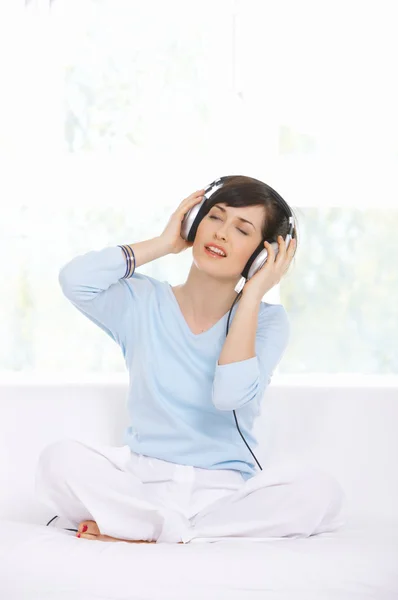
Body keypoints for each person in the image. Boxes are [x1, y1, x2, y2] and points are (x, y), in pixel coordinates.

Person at [34, 175, 346, 544]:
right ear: (194, 222)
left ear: (262, 255)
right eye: (215, 217)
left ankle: (147, 530)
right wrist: (165, 244)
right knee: (58, 461)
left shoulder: (268, 322)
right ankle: (181, 532)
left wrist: (252, 294)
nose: (222, 234)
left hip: (224, 494)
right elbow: (75, 280)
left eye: (242, 229)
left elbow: (229, 396)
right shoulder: (141, 301)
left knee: (320, 491)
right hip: (142, 482)